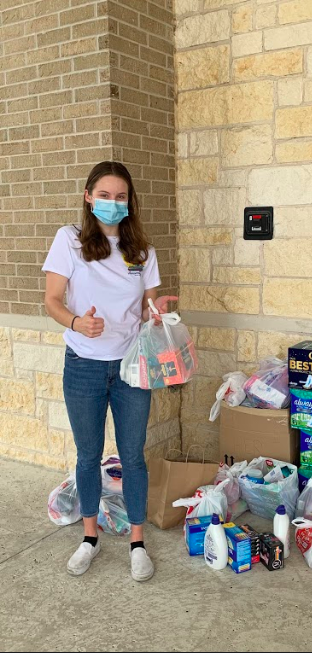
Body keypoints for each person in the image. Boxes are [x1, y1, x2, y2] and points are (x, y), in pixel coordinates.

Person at [43, 161, 177, 581]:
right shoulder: (69, 240)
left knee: (133, 456)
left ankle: (137, 543)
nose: (112, 203)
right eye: (104, 195)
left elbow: (147, 309)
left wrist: (157, 312)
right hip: (83, 364)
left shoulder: (143, 252)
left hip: (130, 368)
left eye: (120, 197)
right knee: (88, 456)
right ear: (88, 197)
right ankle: (90, 538)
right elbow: (52, 300)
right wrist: (76, 322)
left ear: (130, 201)